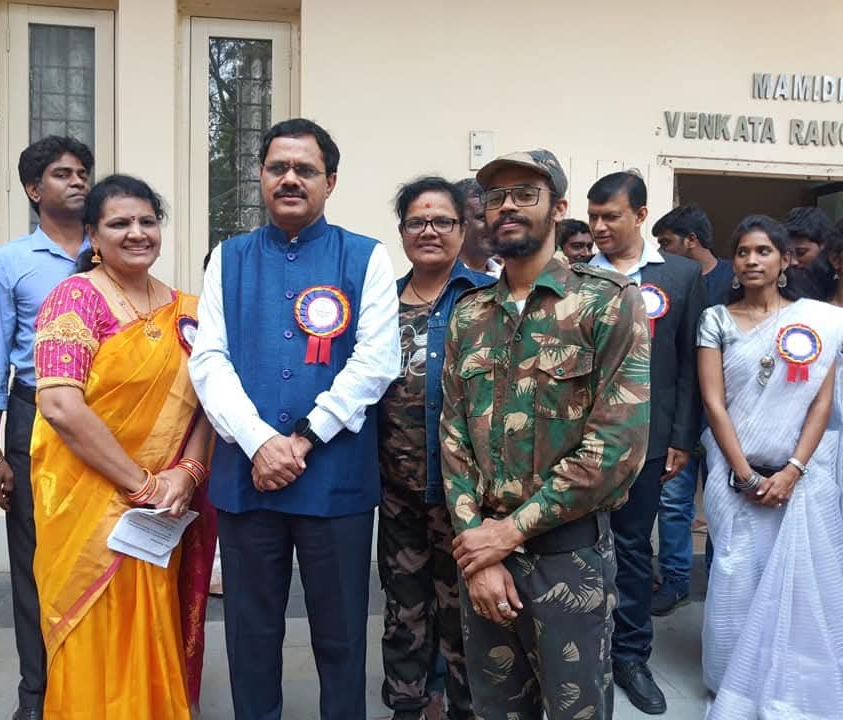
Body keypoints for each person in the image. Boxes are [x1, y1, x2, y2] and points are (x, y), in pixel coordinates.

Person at [189, 118, 399, 719]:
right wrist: (260, 442)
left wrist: (303, 438)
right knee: (250, 633)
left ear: (330, 182)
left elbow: (376, 361)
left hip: (335, 480)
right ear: (260, 176)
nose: (290, 178)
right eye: (277, 167)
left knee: (341, 635)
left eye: (305, 169)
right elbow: (208, 359)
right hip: (247, 480)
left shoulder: (366, 257)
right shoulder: (228, 259)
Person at [441, 150, 651, 720]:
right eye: (495, 196)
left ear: (558, 207)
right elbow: (453, 438)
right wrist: (480, 550)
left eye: (524, 194)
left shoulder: (607, 302)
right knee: (495, 710)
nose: (506, 206)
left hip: (568, 559)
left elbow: (616, 450)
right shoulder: (469, 315)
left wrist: (507, 534)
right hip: (483, 559)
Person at [31, 175, 217, 719]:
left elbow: (208, 405)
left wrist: (188, 472)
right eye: (119, 223)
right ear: (93, 234)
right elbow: (60, 404)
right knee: (95, 633)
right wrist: (141, 484)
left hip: (163, 509)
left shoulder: (188, 309)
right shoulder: (74, 298)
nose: (137, 233)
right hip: (91, 504)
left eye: (147, 221)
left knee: (154, 626)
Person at [698, 215, 843, 718]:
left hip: (800, 477)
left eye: (763, 251)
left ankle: (788, 676)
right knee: (735, 573)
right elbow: (714, 404)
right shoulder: (716, 319)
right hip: (732, 474)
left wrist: (792, 470)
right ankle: (732, 680)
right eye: (742, 251)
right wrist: (745, 475)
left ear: (785, 261)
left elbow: (821, 404)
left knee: (798, 582)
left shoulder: (819, 321)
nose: (751, 260)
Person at [0, 135, 93, 720]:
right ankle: (37, 696)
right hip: (34, 418)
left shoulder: (113, 245)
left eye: (83, 172)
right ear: (32, 189)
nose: (77, 181)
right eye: (62, 174)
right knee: (34, 564)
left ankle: (93, 689)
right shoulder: (10, 262)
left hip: (105, 422)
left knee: (98, 556)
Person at [587, 172, 705, 715]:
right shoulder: (575, 275)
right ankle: (582, 652)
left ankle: (631, 656)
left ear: (639, 215)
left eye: (610, 216)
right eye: (593, 217)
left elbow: (689, 363)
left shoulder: (679, 275)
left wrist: (682, 438)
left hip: (650, 440)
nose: (599, 227)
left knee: (634, 548)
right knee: (579, 549)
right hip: (582, 440)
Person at [379, 176, 493, 720]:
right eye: (416, 222)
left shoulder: (485, 298)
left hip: (464, 494)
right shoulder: (379, 302)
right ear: (402, 231)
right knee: (403, 608)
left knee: (464, 611)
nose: (429, 231)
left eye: (442, 221)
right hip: (395, 490)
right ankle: (406, 704)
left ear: (463, 228)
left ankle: (462, 708)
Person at [649, 204, 733, 613]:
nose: (661, 251)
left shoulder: (733, 280)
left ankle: (721, 582)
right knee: (674, 502)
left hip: (727, 414)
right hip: (680, 411)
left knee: (723, 501)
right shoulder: (662, 282)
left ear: (691, 241)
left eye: (666, 243)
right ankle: (675, 580)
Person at [455, 178, 502, 277]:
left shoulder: (509, 278)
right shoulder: (436, 279)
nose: (494, 225)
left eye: (498, 217)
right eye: (484, 218)